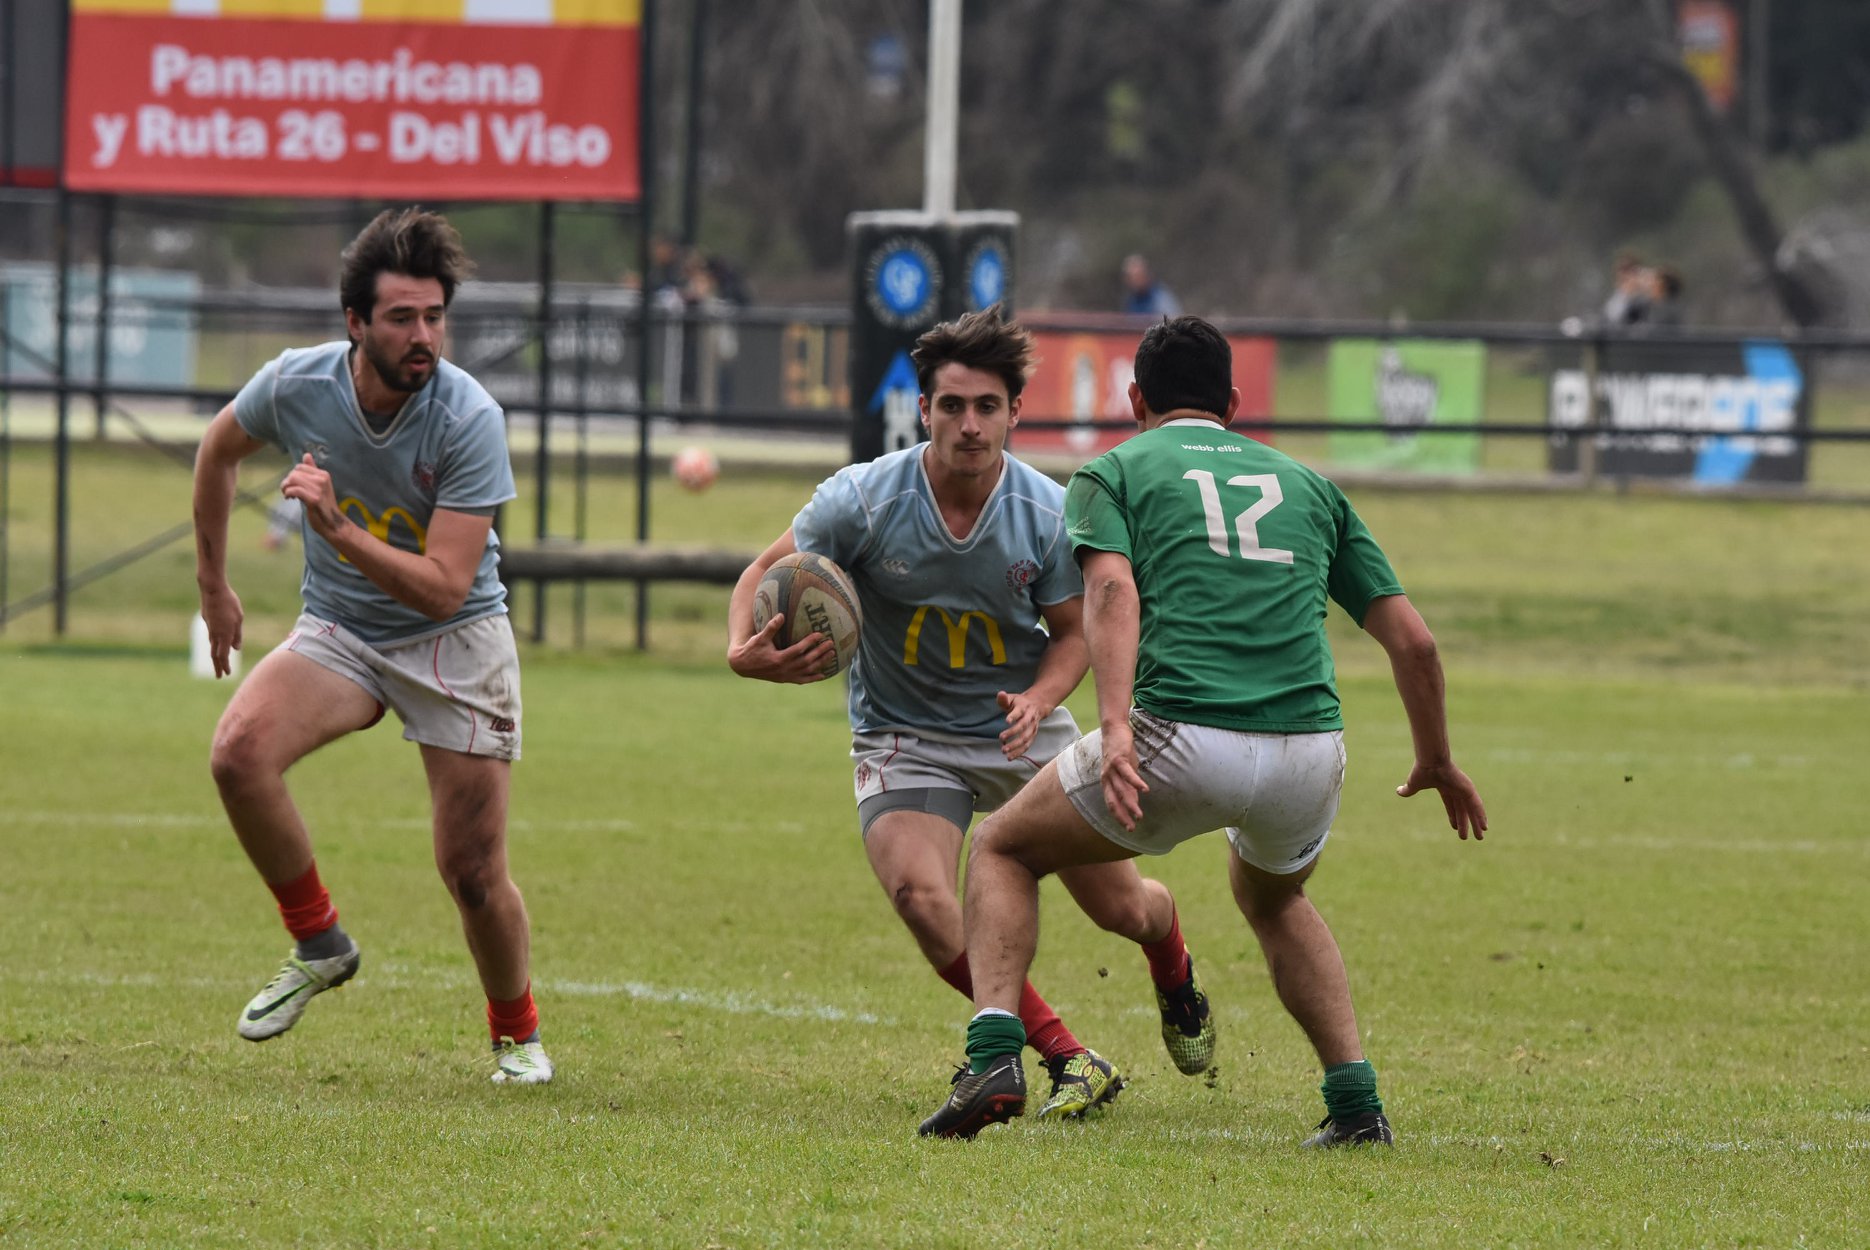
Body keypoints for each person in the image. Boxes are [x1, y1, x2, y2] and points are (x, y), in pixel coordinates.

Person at [919, 315, 1487, 1145]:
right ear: (1233, 402)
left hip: (1179, 737)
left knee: (1003, 846)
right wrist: (1436, 758)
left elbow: (1111, 592)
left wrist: (1115, 726)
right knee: (1275, 897)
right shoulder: (1311, 485)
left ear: (1135, 400)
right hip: (1309, 752)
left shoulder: (1112, 471)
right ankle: (1357, 1105)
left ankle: (994, 1059)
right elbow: (1416, 643)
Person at [728, 305, 1215, 1132]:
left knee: (1122, 908)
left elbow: (1075, 635)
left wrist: (1040, 699)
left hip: (1019, 730)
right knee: (922, 897)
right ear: (923, 410)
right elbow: (763, 572)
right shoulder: (863, 500)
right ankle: (1065, 1054)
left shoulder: (1047, 513)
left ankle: (1171, 959)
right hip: (904, 733)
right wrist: (740, 649)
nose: (969, 425)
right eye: (951, 406)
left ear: (1015, 412)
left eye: (987, 406)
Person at [192, 207, 552, 1085]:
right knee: (238, 753)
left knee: (471, 872)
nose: (423, 335)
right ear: (355, 322)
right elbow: (217, 451)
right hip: (344, 630)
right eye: (401, 318)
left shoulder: (469, 418)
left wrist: (339, 530)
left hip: (454, 640)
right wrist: (214, 587)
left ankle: (517, 1036)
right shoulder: (296, 384)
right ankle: (319, 941)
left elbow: (445, 586)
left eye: (435, 316)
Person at [1120, 254, 1182, 318]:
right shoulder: (1132, 301)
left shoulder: (1161, 299)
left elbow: (1173, 321)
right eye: (1130, 277)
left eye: (1138, 276)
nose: (1134, 280)